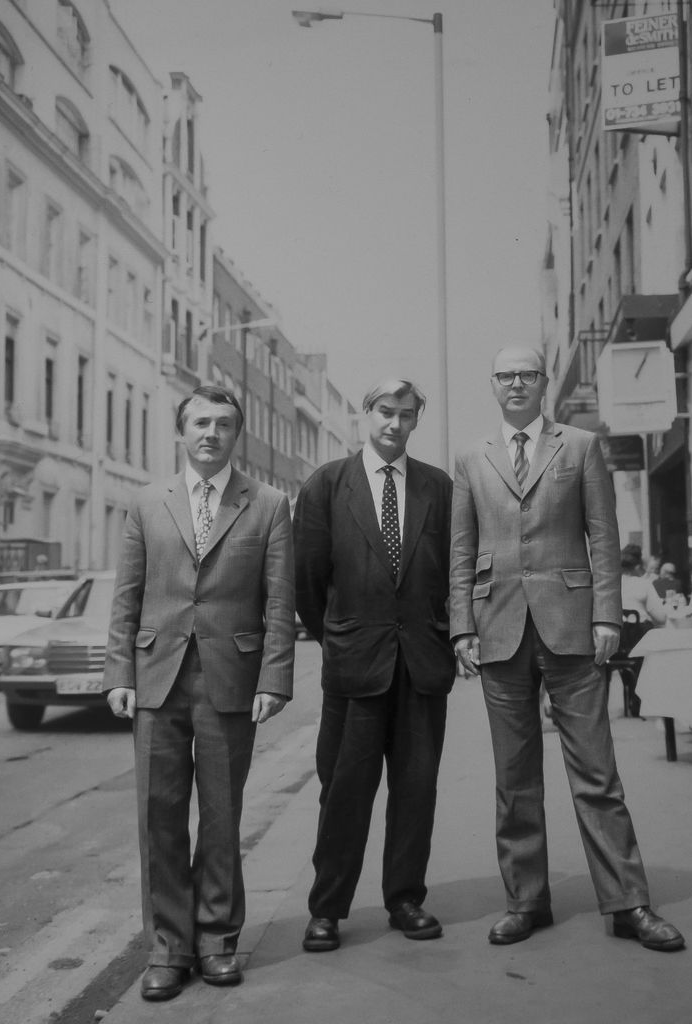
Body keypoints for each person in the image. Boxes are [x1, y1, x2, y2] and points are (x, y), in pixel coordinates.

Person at [450, 346, 684, 953]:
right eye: (506, 375)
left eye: (527, 374)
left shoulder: (578, 446)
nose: (517, 384)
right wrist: (462, 626)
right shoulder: (471, 458)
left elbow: (603, 536)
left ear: (544, 383)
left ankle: (629, 903)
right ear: (493, 385)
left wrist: (607, 614)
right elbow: (461, 550)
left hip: (573, 627)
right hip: (499, 630)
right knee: (514, 778)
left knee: (596, 773)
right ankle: (526, 901)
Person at [103, 385, 295, 1002]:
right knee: (158, 817)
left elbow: (279, 601)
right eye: (200, 423)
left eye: (223, 424)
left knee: (221, 815)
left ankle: (216, 941)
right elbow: (127, 595)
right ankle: (168, 948)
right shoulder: (146, 503)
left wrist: (274, 678)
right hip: (156, 676)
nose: (211, 433)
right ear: (181, 432)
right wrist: (119, 674)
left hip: (230, 678)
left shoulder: (268, 504)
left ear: (237, 434)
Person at [294, 378, 455, 953]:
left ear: (416, 421)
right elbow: (307, 581)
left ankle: (405, 899)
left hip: (421, 666)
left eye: (406, 415)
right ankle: (327, 908)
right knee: (344, 791)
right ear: (367, 413)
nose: (394, 423)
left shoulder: (438, 488)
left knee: (416, 789)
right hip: (354, 668)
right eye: (385, 411)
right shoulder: (327, 485)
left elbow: (452, 573)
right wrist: (341, 637)